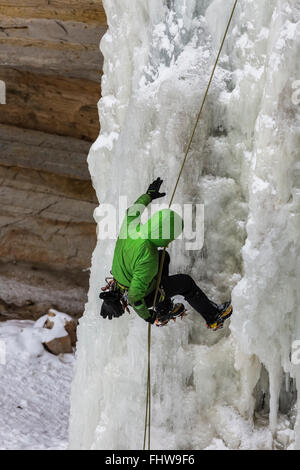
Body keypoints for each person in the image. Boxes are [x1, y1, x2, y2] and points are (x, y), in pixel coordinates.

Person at [100, 178, 232, 330]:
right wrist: (150, 317)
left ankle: (165, 308)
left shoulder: (131, 228)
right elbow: (135, 296)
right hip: (140, 296)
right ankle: (214, 316)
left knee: (164, 256)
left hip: (120, 284)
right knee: (185, 283)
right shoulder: (148, 258)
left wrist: (149, 195)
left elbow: (133, 211)